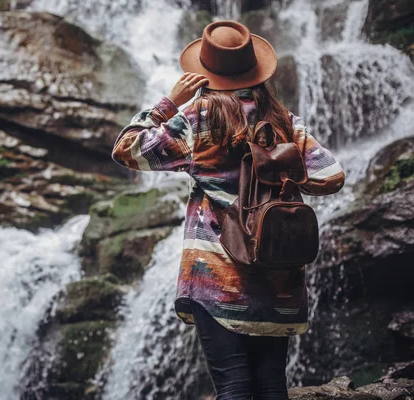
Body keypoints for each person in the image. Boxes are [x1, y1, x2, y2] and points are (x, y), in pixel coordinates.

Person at [111, 20, 345, 400]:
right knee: (272, 387)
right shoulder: (284, 121)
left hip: (217, 282)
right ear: (254, 68)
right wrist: (278, 165)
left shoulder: (197, 121)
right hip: (277, 281)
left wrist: (167, 104)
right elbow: (332, 175)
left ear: (205, 74)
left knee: (234, 387)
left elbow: (127, 150)